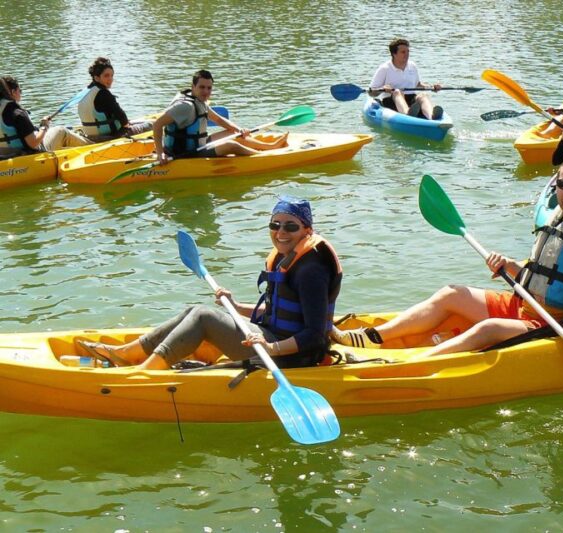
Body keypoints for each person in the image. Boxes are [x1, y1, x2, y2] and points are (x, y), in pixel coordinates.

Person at [332, 158, 563, 361]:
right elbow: (545, 270)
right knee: (452, 293)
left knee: (487, 329)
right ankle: (368, 337)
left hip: (558, 324)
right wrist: (511, 266)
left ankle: (413, 365)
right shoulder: (560, 218)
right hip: (523, 304)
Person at [78, 196, 342, 370]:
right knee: (194, 310)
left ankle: (144, 371)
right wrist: (237, 307)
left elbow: (314, 334)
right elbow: (281, 312)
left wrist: (270, 347)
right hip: (273, 340)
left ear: (307, 230)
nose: (281, 232)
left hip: (294, 356)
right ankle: (129, 352)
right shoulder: (289, 257)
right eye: (275, 224)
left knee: (204, 316)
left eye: (290, 227)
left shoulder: (311, 270)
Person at [151, 69, 288, 165]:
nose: (206, 91)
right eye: (202, 87)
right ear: (193, 87)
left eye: (209, 88)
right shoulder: (185, 106)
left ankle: (270, 146)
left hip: (199, 144)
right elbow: (157, 124)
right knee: (231, 145)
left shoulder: (199, 101)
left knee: (233, 133)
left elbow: (218, 119)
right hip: (186, 153)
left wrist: (239, 130)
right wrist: (160, 153)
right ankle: (262, 157)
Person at [0, 76, 91, 159]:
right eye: (20, 91)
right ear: (13, 92)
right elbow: (34, 143)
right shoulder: (17, 113)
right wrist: (44, 126)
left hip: (5, 157)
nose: (20, 93)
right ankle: (93, 146)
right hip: (31, 156)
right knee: (61, 131)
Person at [77, 57, 153, 142]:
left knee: (136, 122)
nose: (110, 79)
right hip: (109, 137)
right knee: (152, 124)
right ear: (97, 78)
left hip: (90, 136)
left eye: (112, 75)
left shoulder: (85, 92)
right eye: (106, 76)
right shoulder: (104, 93)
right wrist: (127, 126)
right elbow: (123, 119)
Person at [368, 38, 444, 120]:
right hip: (391, 100)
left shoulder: (412, 66)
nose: (407, 54)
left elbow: (417, 84)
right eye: (403, 52)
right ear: (394, 54)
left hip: (411, 100)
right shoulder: (384, 68)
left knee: (423, 95)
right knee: (397, 92)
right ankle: (407, 114)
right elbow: (371, 92)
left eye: (408, 51)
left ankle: (431, 117)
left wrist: (432, 87)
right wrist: (382, 88)